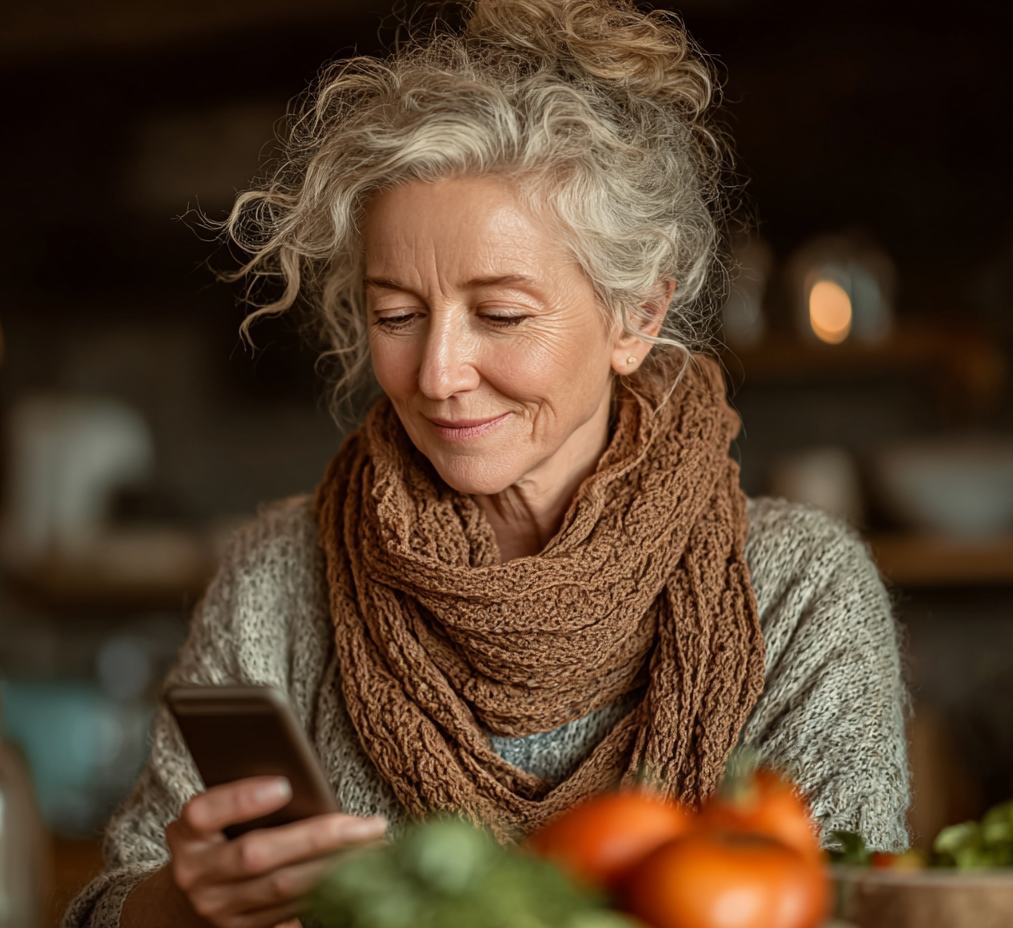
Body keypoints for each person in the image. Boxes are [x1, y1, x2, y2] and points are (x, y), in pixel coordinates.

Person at [66, 3, 909, 927]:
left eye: (501, 316)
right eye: (396, 316)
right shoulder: (278, 578)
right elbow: (112, 901)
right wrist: (178, 905)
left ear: (638, 316)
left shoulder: (799, 593)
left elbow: (849, 909)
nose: (436, 374)